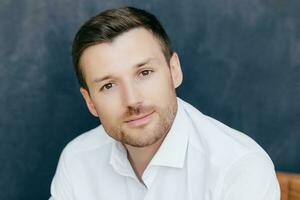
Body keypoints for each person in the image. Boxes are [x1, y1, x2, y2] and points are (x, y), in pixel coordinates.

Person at [49, 6, 280, 200]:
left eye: (144, 72)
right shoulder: (77, 159)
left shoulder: (239, 168)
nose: (132, 100)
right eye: (108, 85)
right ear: (90, 101)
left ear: (174, 70)